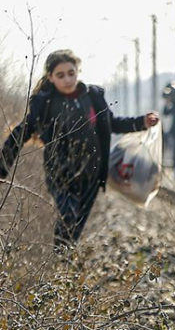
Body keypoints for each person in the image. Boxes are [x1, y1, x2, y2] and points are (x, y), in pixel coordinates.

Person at [1, 50, 159, 248]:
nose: (67, 79)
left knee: (77, 225)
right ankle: (60, 261)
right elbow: (20, 133)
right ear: (50, 77)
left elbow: (111, 123)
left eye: (71, 73)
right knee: (68, 216)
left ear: (78, 71)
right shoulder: (45, 103)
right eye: (60, 75)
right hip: (60, 173)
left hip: (91, 173)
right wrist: (2, 167)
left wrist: (141, 122)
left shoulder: (92, 97)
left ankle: (65, 266)